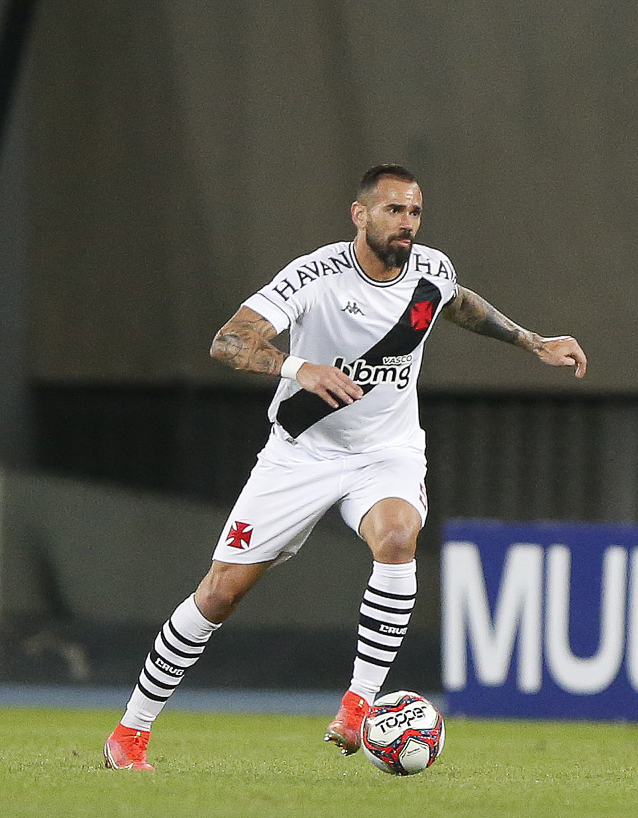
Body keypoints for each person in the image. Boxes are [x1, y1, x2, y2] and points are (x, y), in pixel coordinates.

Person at [104, 164, 586, 770]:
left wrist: (531, 341)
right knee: (220, 593)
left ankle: (359, 704)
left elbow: (458, 302)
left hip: (386, 451)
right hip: (301, 452)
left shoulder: (431, 271)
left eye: (415, 212)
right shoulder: (315, 275)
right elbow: (228, 342)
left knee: (398, 536)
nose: (407, 223)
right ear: (360, 215)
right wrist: (298, 368)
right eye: (394, 211)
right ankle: (130, 732)